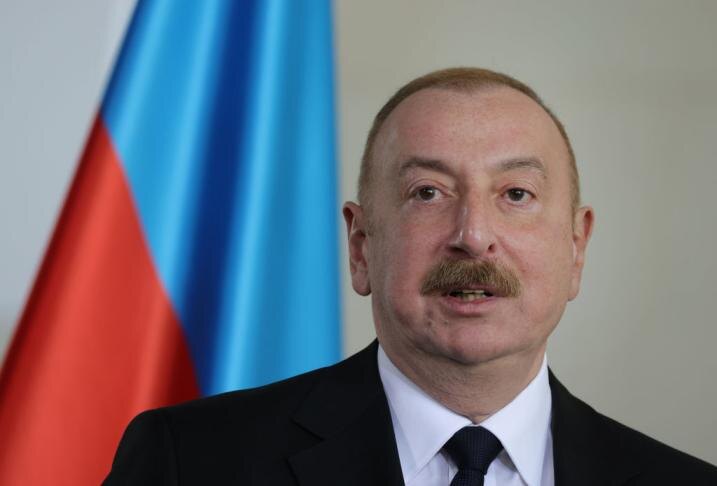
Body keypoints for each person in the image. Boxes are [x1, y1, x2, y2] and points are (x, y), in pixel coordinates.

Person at [104, 67, 717, 485]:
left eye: (516, 194)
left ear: (576, 248)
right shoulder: (189, 462)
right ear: (361, 245)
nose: (473, 235)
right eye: (427, 192)